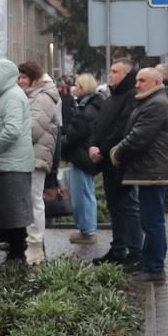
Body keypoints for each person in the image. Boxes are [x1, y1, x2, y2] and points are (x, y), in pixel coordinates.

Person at [112, 66, 168, 283]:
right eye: (137, 80)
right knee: (150, 220)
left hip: (152, 172)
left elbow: (138, 136)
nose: (137, 84)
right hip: (149, 171)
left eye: (142, 80)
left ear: (156, 83)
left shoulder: (156, 104)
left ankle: (155, 268)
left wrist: (116, 153)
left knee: (152, 222)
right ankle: (151, 264)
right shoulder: (151, 101)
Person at [0, 59, 34, 264]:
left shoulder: (11, 96)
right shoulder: (5, 96)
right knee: (9, 210)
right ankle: (13, 253)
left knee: (14, 211)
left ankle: (17, 255)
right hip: (7, 162)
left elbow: (12, 130)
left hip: (12, 163)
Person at [90, 58, 143, 268]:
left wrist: (102, 150)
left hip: (121, 161)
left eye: (115, 71)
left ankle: (135, 251)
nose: (110, 75)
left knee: (129, 207)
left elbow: (122, 128)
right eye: (110, 71)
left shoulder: (131, 96)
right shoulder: (111, 97)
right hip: (107, 161)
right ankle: (119, 248)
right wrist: (93, 144)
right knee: (114, 207)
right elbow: (98, 124)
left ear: (127, 75)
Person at [21, 62, 60, 264]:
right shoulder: (33, 95)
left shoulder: (43, 96)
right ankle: (32, 244)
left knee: (35, 200)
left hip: (36, 155)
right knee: (30, 200)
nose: (20, 81)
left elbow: (34, 128)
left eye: (24, 77)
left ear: (34, 78)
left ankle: (35, 246)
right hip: (31, 155)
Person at [64, 73, 102, 245]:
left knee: (83, 194)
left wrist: (61, 148)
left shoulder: (87, 109)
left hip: (82, 157)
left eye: (78, 86)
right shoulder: (91, 105)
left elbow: (74, 134)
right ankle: (86, 229)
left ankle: (88, 231)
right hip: (83, 156)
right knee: (84, 192)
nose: (75, 89)